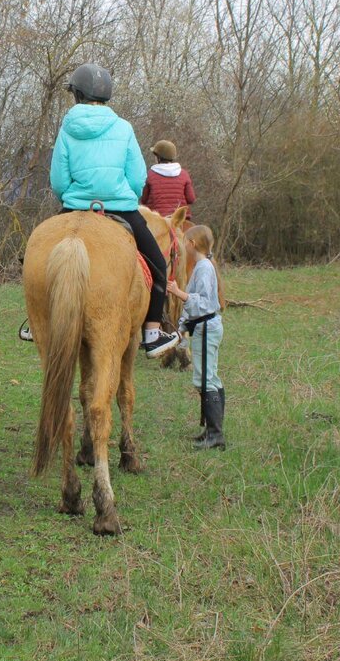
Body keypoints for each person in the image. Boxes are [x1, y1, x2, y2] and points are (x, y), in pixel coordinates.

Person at [48, 63, 179, 357]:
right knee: (158, 265)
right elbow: (137, 177)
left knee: (42, 255)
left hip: (74, 208)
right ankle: (152, 333)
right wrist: (125, 199)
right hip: (122, 209)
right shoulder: (123, 127)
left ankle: (37, 321)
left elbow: (58, 179)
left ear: (77, 95)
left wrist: (71, 196)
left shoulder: (67, 128)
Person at [167, 225, 225, 451]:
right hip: (203, 327)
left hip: (207, 329)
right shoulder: (201, 267)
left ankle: (215, 435)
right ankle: (210, 430)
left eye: (184, 242)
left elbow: (203, 304)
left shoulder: (204, 269)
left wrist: (177, 292)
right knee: (210, 377)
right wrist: (181, 329)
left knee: (205, 380)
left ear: (191, 244)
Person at [140, 139, 195, 220]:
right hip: (180, 219)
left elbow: (143, 200)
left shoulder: (150, 175)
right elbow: (191, 199)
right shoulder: (184, 174)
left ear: (158, 158)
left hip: (158, 219)